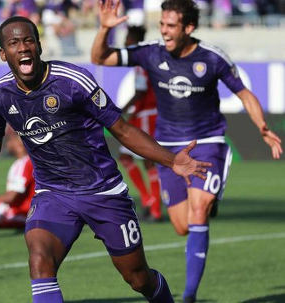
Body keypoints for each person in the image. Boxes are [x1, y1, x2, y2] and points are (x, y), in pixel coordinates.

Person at [0, 16, 212, 303]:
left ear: (39, 45)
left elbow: (123, 130)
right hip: (53, 195)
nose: (23, 48)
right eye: (14, 43)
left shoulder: (73, 80)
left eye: (29, 40)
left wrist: (172, 160)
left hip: (103, 192)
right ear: (3, 53)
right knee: (39, 261)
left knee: (137, 278)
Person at [90, 0, 283, 302]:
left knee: (198, 211)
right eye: (162, 24)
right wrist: (104, 29)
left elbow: (243, 93)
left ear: (188, 28)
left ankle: (189, 296)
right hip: (168, 150)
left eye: (170, 26)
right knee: (182, 226)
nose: (164, 31)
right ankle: (206, 204)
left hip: (208, 142)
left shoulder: (212, 58)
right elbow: (100, 58)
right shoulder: (150, 52)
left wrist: (261, 127)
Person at [118, 25, 162, 222]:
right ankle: (149, 202)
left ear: (134, 40)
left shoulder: (141, 60)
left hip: (146, 114)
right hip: (144, 114)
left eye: (127, 38)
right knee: (132, 158)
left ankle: (153, 207)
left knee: (146, 160)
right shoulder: (147, 58)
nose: (125, 42)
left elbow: (141, 92)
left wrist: (121, 109)